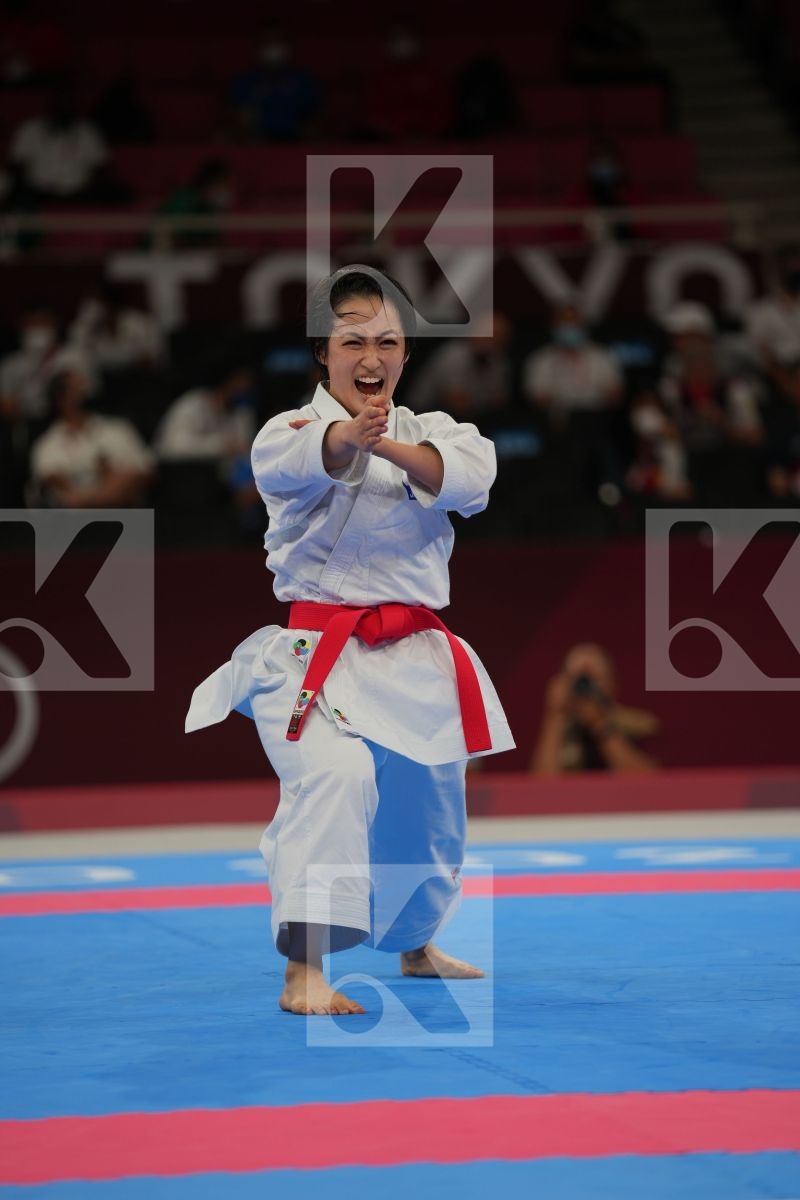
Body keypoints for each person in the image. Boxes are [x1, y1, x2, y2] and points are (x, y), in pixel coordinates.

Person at [185, 265, 514, 1016]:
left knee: (427, 807)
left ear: (405, 355)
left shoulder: (437, 431)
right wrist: (352, 438)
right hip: (315, 659)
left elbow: (470, 480)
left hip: (415, 655)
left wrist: (388, 444)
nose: (373, 355)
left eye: (389, 341)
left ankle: (415, 941)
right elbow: (317, 458)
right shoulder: (287, 431)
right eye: (354, 340)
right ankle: (304, 970)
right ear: (323, 355)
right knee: (334, 776)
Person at [29, 366, 154, 508]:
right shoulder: (47, 444)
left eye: (84, 385)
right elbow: (52, 483)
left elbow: (146, 471)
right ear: (59, 399)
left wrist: (109, 485)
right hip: (74, 522)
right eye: (76, 388)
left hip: (124, 512)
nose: (84, 391)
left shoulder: (118, 428)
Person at [531, 643, 659, 774]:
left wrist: (600, 724)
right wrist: (555, 715)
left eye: (593, 679)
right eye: (578, 680)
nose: (585, 688)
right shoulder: (561, 728)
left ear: (611, 684)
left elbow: (649, 782)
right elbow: (541, 786)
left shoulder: (638, 725)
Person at [410, 312, 513, 417]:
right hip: (424, 413)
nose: (493, 343)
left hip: (473, 417)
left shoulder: (498, 361)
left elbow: (499, 401)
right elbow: (456, 402)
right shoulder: (453, 355)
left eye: (500, 339)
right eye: (492, 336)